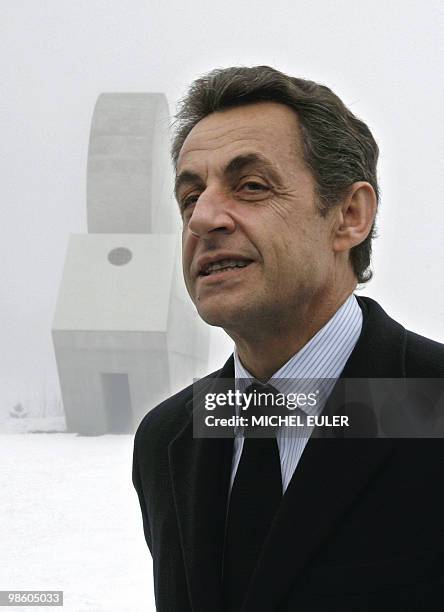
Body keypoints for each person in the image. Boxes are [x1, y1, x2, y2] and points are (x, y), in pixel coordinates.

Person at [132, 66, 444, 612]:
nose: (203, 218)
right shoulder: (166, 439)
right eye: (189, 198)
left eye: (251, 186)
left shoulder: (433, 403)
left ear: (349, 216)